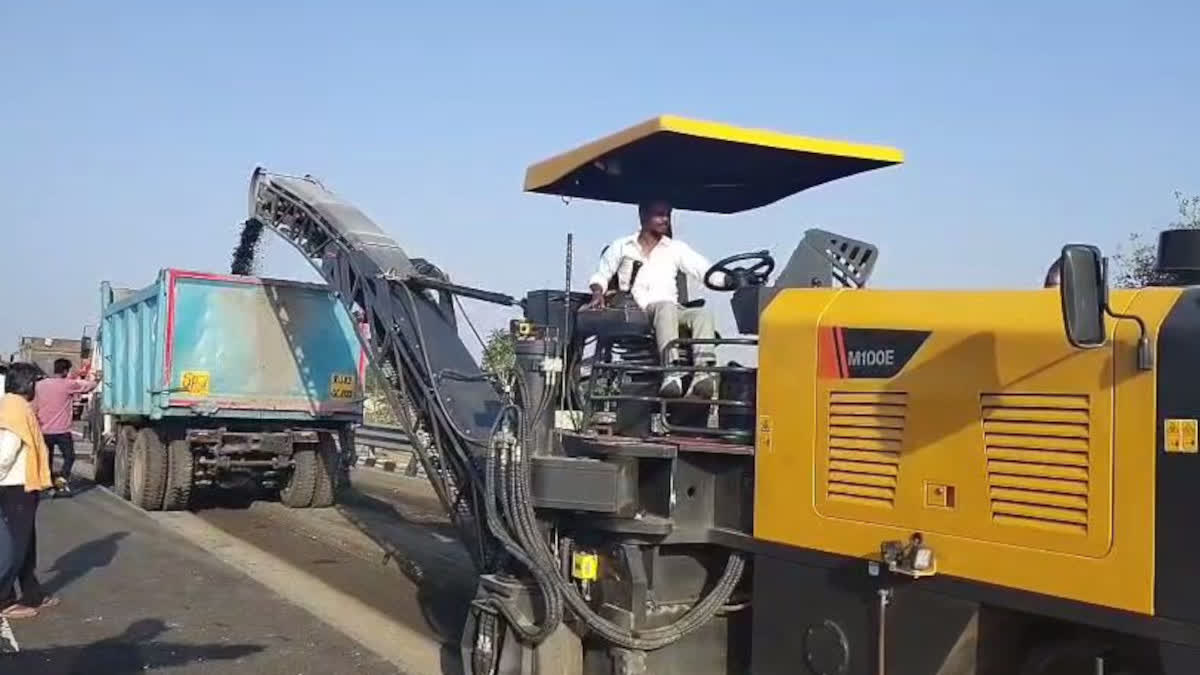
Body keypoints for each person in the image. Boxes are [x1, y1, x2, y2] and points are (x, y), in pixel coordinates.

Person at [586, 199, 725, 399]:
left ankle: (703, 375)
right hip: (637, 311)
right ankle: (671, 372)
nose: (665, 220)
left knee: (701, 314)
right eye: (659, 215)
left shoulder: (675, 248)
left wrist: (730, 279)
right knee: (665, 307)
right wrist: (598, 293)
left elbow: (705, 271)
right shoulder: (623, 246)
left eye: (667, 215)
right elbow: (601, 275)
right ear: (643, 216)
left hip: (670, 310)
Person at [0, 362, 57, 619]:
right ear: (27, 383)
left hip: (19, 483)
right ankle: (4, 600)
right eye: (35, 382)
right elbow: (5, 453)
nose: (38, 387)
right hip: (14, 485)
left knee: (25, 543)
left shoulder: (11, 404)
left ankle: (31, 592)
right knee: (14, 545)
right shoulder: (16, 409)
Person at [33, 358, 97, 495]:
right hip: (62, 430)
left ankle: (48, 484)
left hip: (43, 429)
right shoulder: (68, 384)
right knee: (69, 457)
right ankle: (61, 480)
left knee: (47, 458)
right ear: (65, 371)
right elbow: (89, 386)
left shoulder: (40, 385)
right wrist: (97, 379)